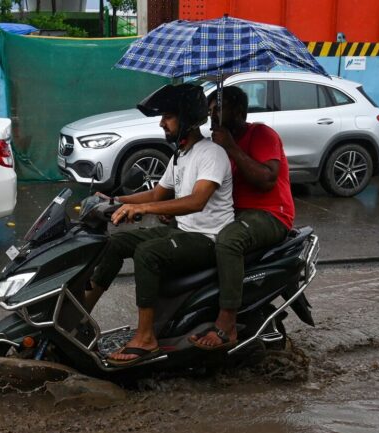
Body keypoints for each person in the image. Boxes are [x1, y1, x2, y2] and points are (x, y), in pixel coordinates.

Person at [84, 83, 234, 367]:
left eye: (169, 116)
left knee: (148, 253)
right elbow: (157, 193)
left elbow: (197, 201)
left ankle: (145, 338)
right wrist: (114, 199)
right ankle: (81, 315)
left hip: (207, 238)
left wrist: (141, 208)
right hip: (183, 231)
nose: (162, 122)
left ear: (188, 118)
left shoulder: (211, 154)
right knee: (114, 243)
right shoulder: (182, 154)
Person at [190, 86, 295, 350]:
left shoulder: (260, 134)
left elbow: (267, 180)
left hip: (270, 214)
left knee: (228, 240)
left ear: (239, 112)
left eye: (219, 110)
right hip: (235, 212)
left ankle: (227, 323)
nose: (213, 117)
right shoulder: (215, 145)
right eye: (210, 111)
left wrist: (231, 147)